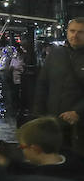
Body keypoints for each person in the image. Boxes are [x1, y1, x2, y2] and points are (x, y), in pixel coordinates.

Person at [32, 17, 84, 151]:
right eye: (72, 31)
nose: (75, 35)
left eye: (80, 32)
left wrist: (78, 112)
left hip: (79, 124)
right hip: (54, 121)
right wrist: (38, 114)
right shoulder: (56, 53)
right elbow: (42, 84)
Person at [0, 116, 84, 181]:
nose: (21, 150)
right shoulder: (73, 159)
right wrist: (8, 163)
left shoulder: (41, 180)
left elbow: (32, 172)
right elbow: (32, 168)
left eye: (22, 147)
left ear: (35, 149)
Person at [0, 42, 25, 122]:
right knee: (8, 92)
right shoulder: (10, 58)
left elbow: (8, 68)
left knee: (9, 92)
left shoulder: (8, 58)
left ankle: (10, 108)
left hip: (12, 78)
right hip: (10, 77)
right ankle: (10, 107)